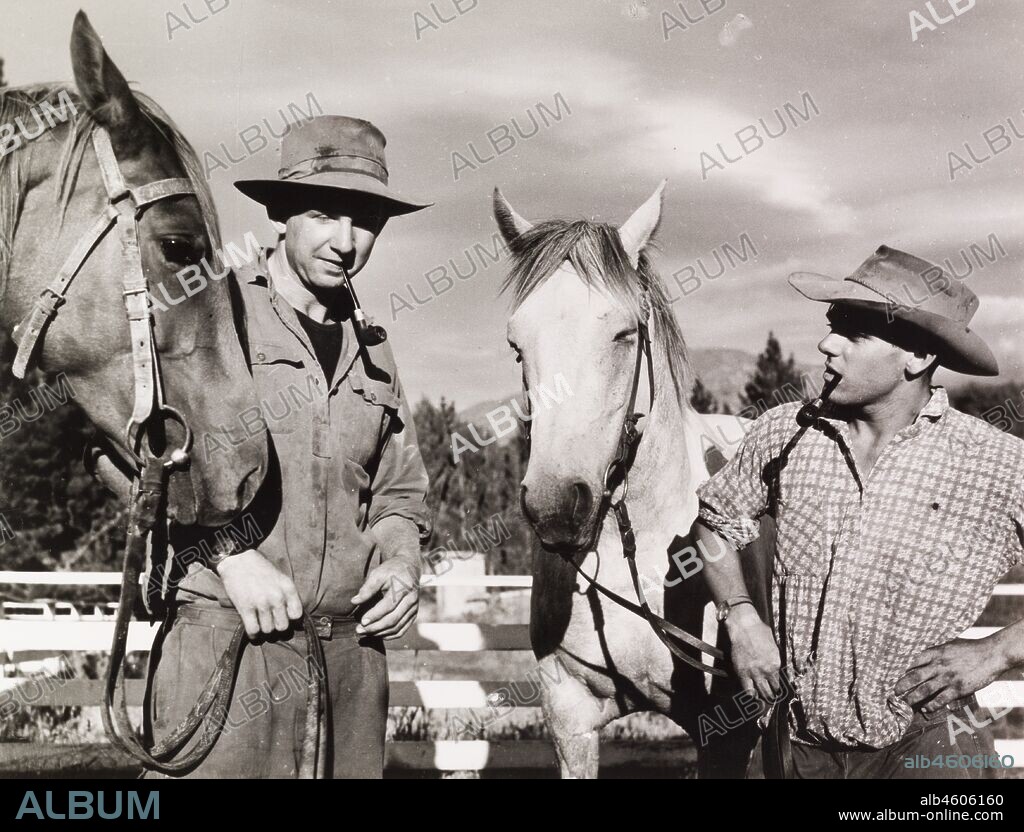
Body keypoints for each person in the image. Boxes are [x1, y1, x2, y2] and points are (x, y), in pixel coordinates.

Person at [145, 115, 434, 778]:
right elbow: (126, 457)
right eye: (323, 213)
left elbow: (398, 495)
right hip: (232, 649)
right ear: (281, 213)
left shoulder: (376, 352)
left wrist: (401, 564)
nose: (345, 241)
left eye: (364, 219)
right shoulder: (212, 314)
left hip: (351, 664)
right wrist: (229, 555)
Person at [695, 245, 1024, 779]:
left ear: (916, 358)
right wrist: (739, 615)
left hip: (927, 751)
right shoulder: (786, 432)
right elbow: (715, 523)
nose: (826, 344)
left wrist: (996, 654)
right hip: (791, 746)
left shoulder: (995, 463)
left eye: (854, 333)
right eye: (831, 325)